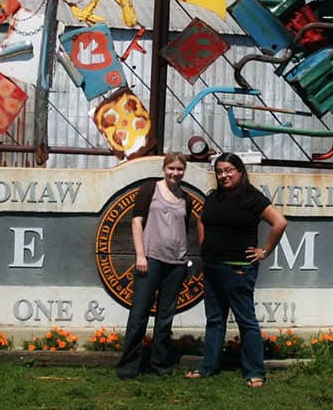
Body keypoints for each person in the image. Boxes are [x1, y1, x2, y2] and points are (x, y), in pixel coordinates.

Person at [186, 152, 288, 388]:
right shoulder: (214, 197)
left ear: (240, 172)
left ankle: (255, 372)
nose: (224, 175)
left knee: (246, 320)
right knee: (214, 320)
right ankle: (208, 367)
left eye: (229, 171)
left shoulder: (251, 198)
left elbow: (279, 222)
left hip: (239, 269)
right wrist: (204, 246)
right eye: (220, 171)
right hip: (212, 268)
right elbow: (203, 220)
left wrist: (265, 251)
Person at [115, 151, 202, 379]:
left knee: (166, 317)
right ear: (164, 169)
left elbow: (183, 227)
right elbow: (136, 221)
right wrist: (140, 255)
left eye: (179, 169)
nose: (175, 173)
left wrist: (184, 260)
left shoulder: (186, 197)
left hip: (176, 262)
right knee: (139, 314)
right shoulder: (149, 190)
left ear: (184, 171)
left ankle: (160, 364)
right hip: (150, 259)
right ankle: (128, 366)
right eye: (171, 168)